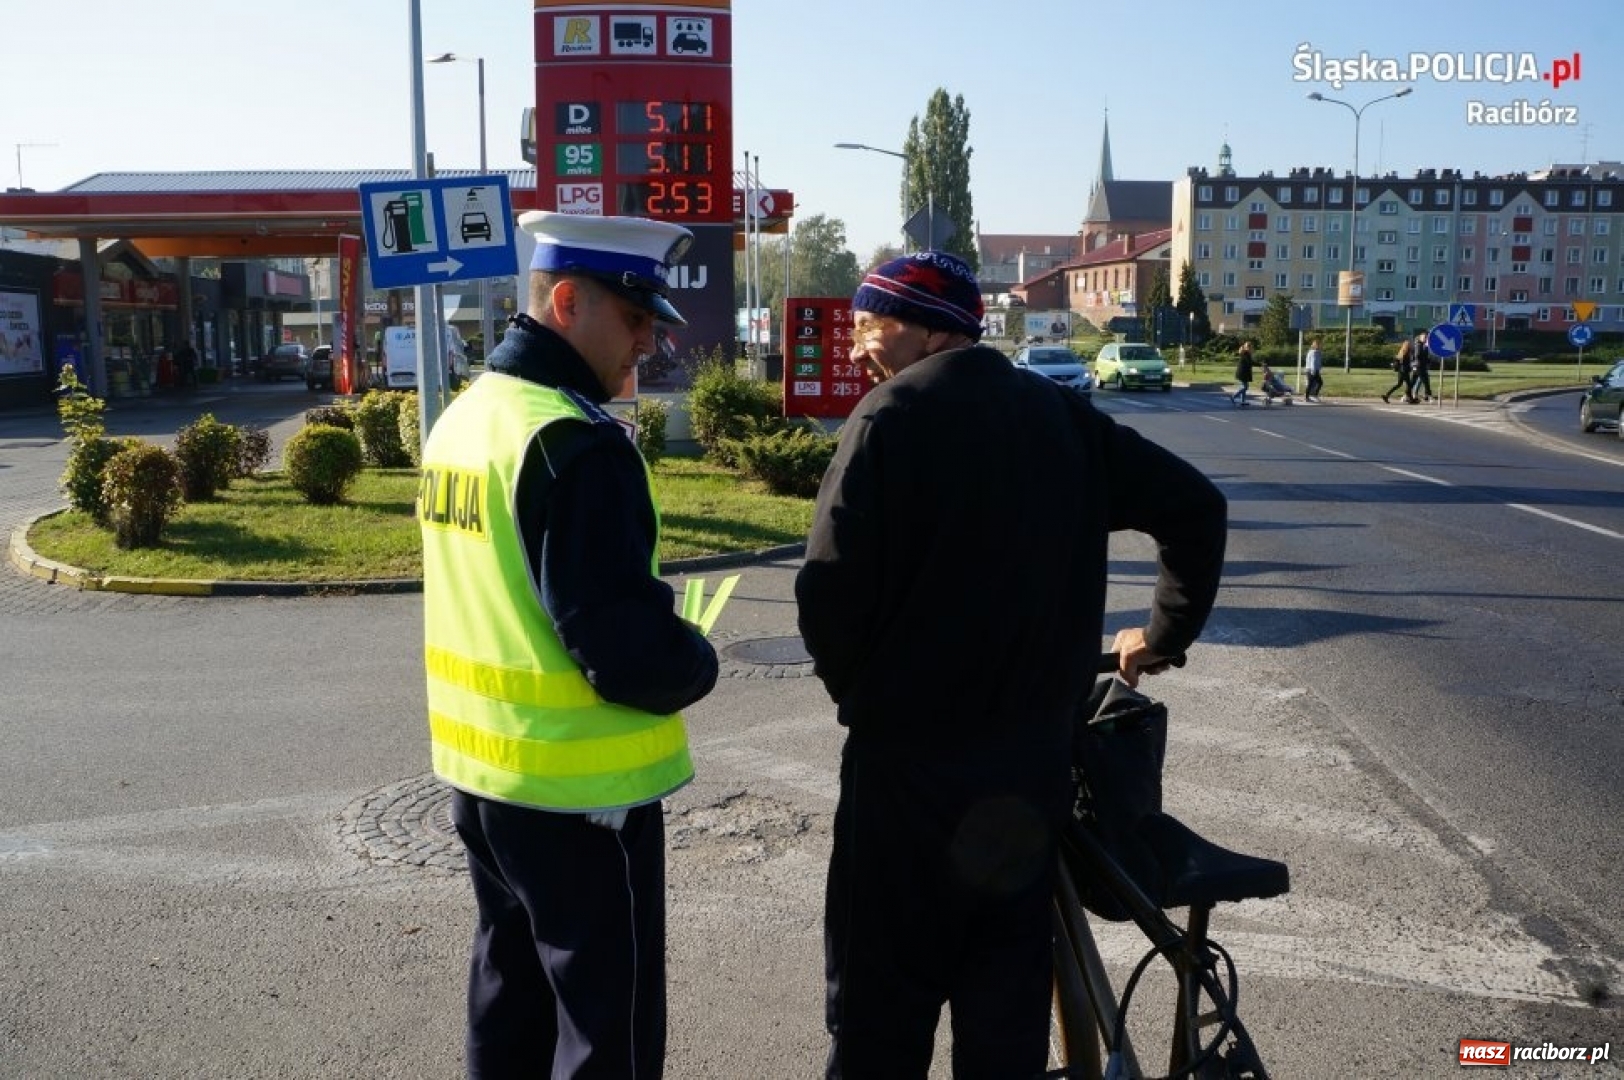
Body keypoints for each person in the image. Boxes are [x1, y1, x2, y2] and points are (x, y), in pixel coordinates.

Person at [795, 251, 1228, 1079]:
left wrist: (868, 699)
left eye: (869, 326)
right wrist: (1162, 636)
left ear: (929, 330)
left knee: (880, 1018)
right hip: (1030, 777)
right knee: (1005, 1022)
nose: (855, 348)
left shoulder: (890, 416)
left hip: (906, 782)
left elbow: (827, 595)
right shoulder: (1062, 416)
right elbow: (1195, 508)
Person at [419, 210, 720, 1079]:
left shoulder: (469, 417)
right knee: (603, 1033)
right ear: (566, 303)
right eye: (633, 319)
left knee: (508, 998)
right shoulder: (575, 443)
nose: (648, 343)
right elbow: (621, 648)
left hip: (484, 777)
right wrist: (696, 658)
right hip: (583, 795)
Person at [1383, 336, 1415, 404]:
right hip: (1404, 371)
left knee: (1400, 384)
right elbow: (1405, 362)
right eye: (1410, 345)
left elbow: (1398, 360)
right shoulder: (1406, 353)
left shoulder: (1401, 352)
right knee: (1409, 385)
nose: (1411, 345)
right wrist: (1410, 367)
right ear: (1407, 346)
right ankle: (1410, 399)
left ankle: (1386, 395)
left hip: (1401, 371)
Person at [1411, 330, 1434, 402]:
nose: (1425, 339)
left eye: (1426, 337)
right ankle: (1429, 397)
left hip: (1418, 366)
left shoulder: (1422, 345)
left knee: (1414, 381)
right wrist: (1422, 361)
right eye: (1424, 337)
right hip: (1419, 366)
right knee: (1426, 382)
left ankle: (1407, 395)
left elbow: (1424, 356)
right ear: (1420, 338)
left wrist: (1427, 361)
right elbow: (1417, 355)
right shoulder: (1419, 345)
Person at [1231, 340, 1255, 406]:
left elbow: (1250, 363)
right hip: (1242, 373)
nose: (1252, 348)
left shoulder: (1245, 353)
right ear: (1248, 347)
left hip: (1243, 373)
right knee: (1245, 387)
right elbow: (1250, 363)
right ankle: (1234, 396)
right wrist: (1260, 364)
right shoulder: (1246, 353)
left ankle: (1243, 401)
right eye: (1251, 347)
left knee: (1244, 387)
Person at [1304, 337, 1324, 402]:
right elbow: (1313, 362)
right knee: (1314, 383)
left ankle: (1311, 396)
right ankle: (1309, 397)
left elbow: (1317, 361)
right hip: (1311, 370)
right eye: (1319, 345)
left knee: (1316, 383)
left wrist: (1319, 368)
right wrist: (1314, 371)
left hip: (1312, 370)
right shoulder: (1314, 352)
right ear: (1316, 345)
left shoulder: (1315, 352)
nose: (1321, 346)